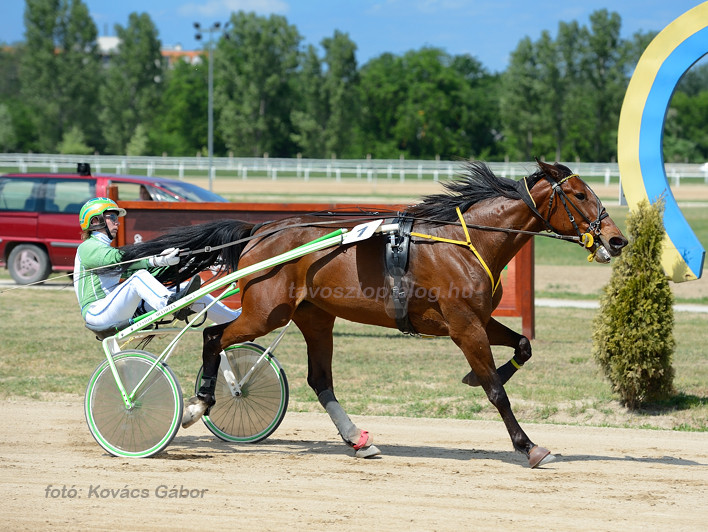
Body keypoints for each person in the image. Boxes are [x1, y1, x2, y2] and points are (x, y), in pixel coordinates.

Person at [73, 197, 241, 330]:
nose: (117, 222)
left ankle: (232, 320)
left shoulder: (103, 249)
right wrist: (156, 259)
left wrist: (173, 262)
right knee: (139, 278)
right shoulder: (88, 247)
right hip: (97, 312)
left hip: (115, 308)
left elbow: (131, 268)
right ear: (95, 221)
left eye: (116, 218)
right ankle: (168, 304)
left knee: (188, 290)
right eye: (112, 217)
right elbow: (118, 259)